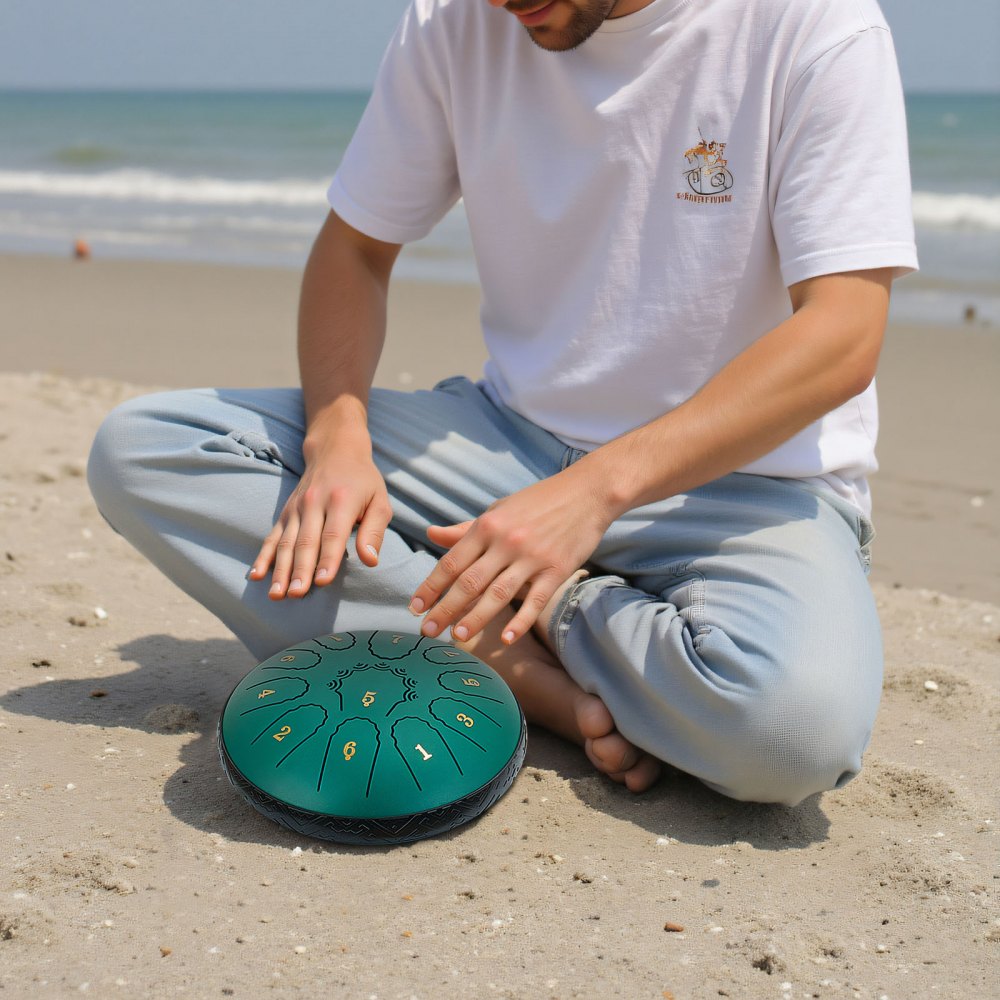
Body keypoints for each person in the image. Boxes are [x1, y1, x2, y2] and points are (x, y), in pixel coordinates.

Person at [88, 0, 917, 805]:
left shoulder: (815, 24)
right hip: (502, 446)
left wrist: (591, 497)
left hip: (744, 480)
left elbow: (843, 334)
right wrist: (337, 441)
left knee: (789, 735)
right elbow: (355, 250)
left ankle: (549, 606)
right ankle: (512, 664)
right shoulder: (453, 18)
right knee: (148, 449)